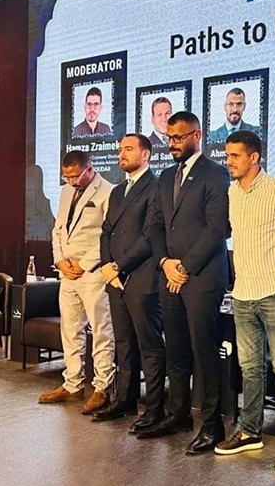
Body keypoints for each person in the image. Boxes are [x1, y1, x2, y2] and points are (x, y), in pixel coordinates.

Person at [140, 111, 230, 455]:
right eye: (169, 138)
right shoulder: (165, 177)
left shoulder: (215, 173)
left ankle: (212, 426)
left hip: (202, 278)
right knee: (176, 349)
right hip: (170, 276)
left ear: (197, 135)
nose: (172, 144)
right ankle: (177, 415)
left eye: (178, 138)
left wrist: (184, 267)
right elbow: (154, 225)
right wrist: (165, 263)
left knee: (204, 352)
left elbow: (216, 228)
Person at [214, 131, 275, 473]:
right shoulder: (232, 191)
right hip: (242, 294)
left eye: (235, 156)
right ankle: (250, 431)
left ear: (254, 158)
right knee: (250, 368)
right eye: (227, 156)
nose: (229, 162)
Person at [95, 134, 167, 433]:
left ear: (146, 154)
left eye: (128, 149)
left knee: (149, 346)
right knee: (123, 343)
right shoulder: (117, 191)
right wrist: (107, 266)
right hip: (116, 279)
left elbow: (150, 235)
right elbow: (106, 231)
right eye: (119, 149)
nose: (120, 154)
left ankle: (154, 408)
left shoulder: (156, 187)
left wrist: (119, 266)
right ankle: (124, 400)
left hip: (142, 277)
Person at [39, 151, 115, 414]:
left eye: (75, 176)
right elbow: (58, 230)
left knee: (101, 330)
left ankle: (102, 387)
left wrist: (83, 264)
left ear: (89, 169)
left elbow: (108, 236)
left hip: (92, 273)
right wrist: (59, 261)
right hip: (67, 273)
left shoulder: (108, 192)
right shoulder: (65, 192)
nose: (71, 181)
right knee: (70, 330)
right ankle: (72, 384)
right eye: (66, 177)